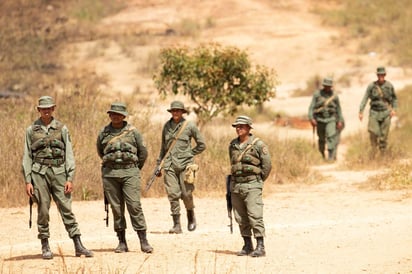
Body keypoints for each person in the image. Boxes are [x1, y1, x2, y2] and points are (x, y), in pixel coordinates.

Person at [22, 95, 93, 260]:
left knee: (66, 208)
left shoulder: (62, 128)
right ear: (38, 110)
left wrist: (70, 177)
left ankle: (78, 244)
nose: (46, 111)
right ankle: (45, 245)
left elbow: (69, 154)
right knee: (43, 210)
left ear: (53, 109)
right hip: (39, 174)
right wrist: (28, 180)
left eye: (49, 108)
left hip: (60, 172)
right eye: (43, 108)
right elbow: (27, 156)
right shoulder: (31, 130)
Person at [96, 102, 153, 253]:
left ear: (124, 116)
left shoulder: (133, 132)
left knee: (134, 206)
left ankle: (143, 240)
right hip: (110, 175)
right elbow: (101, 152)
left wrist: (134, 169)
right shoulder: (103, 133)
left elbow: (143, 153)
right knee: (116, 208)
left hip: (130, 173)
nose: (115, 116)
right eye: (113, 113)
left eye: (119, 114)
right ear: (109, 115)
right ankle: (121, 242)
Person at [156, 101, 206, 234]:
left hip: (186, 165)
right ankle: (176, 224)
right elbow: (163, 148)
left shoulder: (190, 126)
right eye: (173, 111)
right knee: (173, 194)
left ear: (182, 112)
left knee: (186, 194)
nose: (175, 113)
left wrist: (190, 153)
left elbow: (202, 144)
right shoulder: (166, 126)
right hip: (170, 164)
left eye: (178, 111)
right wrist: (159, 165)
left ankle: (190, 214)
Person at [228, 115, 272, 257]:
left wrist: (257, 181)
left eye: (241, 126)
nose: (238, 129)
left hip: (252, 185)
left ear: (248, 127)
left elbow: (267, 166)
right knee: (240, 217)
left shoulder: (259, 145)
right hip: (236, 186)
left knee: (255, 215)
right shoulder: (232, 145)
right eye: (237, 126)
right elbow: (233, 163)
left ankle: (260, 246)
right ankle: (247, 245)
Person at [359, 66, 397, 155]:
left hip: (386, 113)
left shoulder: (389, 86)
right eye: (379, 75)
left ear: (385, 75)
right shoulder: (372, 86)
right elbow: (365, 98)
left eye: (382, 74)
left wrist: (394, 109)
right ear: (377, 75)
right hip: (374, 113)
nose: (381, 76)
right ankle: (373, 149)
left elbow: (394, 99)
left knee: (384, 136)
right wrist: (361, 111)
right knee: (373, 132)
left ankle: (382, 155)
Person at [308, 77, 345, 161]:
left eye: (329, 86)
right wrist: (311, 118)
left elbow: (339, 109)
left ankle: (331, 156)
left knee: (331, 137)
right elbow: (311, 107)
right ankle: (322, 155)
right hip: (320, 120)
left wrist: (340, 120)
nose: (327, 88)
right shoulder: (317, 94)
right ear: (323, 86)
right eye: (326, 86)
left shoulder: (334, 96)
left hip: (331, 119)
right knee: (321, 139)